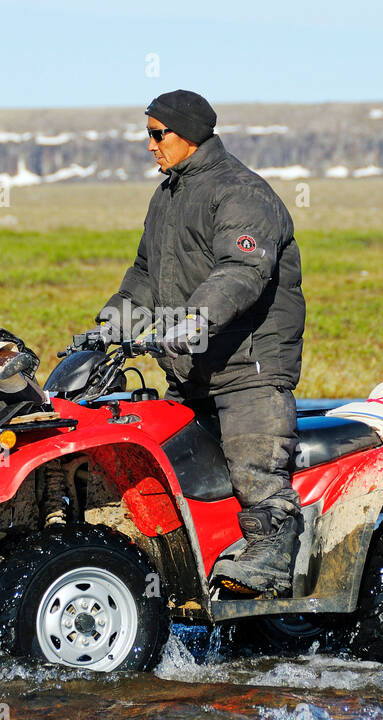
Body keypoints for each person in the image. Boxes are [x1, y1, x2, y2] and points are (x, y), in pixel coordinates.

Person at [93, 89, 306, 596]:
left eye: (156, 134)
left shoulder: (241, 193)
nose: (150, 145)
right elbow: (146, 272)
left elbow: (243, 269)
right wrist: (110, 325)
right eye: (147, 134)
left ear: (187, 134)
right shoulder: (168, 195)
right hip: (191, 367)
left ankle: (273, 553)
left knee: (254, 464)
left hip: (247, 363)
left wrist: (194, 319)